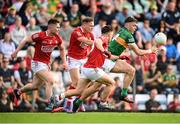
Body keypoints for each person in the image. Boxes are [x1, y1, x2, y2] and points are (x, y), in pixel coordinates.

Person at [50, 25, 117, 112]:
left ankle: (57, 97)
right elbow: (98, 41)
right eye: (112, 34)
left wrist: (121, 57)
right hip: (93, 69)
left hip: (86, 69)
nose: (112, 36)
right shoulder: (104, 38)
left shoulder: (105, 43)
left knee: (79, 90)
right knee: (111, 83)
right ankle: (103, 103)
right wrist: (103, 50)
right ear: (109, 33)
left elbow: (109, 56)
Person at [102, 16, 158, 103]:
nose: (135, 28)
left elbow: (125, 46)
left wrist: (141, 53)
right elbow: (138, 51)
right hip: (108, 61)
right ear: (127, 24)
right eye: (134, 25)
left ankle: (123, 95)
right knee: (94, 86)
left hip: (108, 58)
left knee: (131, 70)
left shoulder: (122, 30)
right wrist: (151, 50)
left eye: (136, 26)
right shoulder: (128, 35)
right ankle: (119, 96)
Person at [11, 18, 68, 102]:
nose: (59, 29)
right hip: (37, 63)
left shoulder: (57, 38)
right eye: (57, 27)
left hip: (46, 64)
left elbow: (62, 49)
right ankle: (50, 104)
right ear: (50, 27)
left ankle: (18, 91)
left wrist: (64, 62)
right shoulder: (40, 35)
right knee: (50, 81)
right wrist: (16, 51)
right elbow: (26, 40)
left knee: (35, 86)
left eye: (59, 27)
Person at [46, 17, 94, 111]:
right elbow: (87, 41)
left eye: (93, 26)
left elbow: (90, 46)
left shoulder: (91, 34)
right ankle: (69, 102)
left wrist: (89, 52)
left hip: (84, 59)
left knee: (90, 82)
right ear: (84, 24)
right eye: (90, 25)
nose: (92, 27)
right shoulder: (76, 32)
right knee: (76, 84)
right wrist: (98, 42)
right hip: (74, 59)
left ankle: (76, 101)